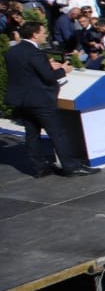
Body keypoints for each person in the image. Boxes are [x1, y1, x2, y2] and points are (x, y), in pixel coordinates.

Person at [5, 21, 96, 177]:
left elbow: (27, 72)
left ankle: (39, 167)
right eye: (43, 32)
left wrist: (46, 65)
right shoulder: (35, 53)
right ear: (35, 34)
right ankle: (71, 167)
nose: (45, 35)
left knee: (32, 134)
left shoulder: (12, 51)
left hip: (23, 101)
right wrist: (63, 70)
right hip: (41, 101)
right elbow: (49, 77)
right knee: (58, 134)